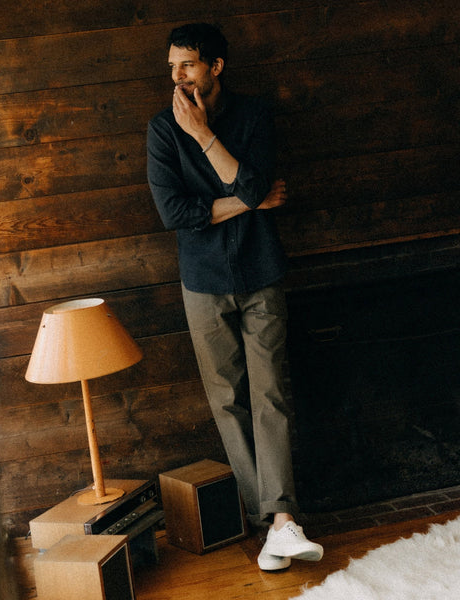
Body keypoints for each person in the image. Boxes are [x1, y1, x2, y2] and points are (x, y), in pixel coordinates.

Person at [147, 22, 323, 571]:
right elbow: (175, 214)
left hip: (261, 271)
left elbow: (249, 185)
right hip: (202, 282)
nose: (177, 76)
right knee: (227, 401)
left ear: (216, 66)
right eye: (172, 66)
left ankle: (282, 519)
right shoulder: (161, 129)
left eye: (188, 64)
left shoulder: (254, 115)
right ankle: (270, 523)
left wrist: (204, 136)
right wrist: (251, 199)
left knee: (271, 395)